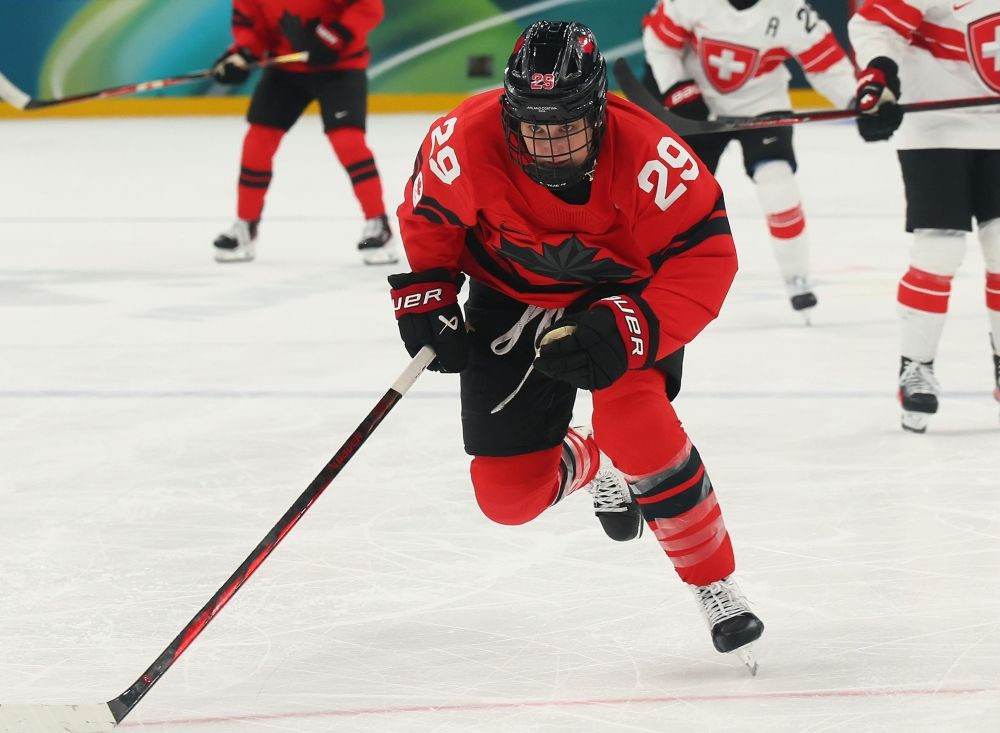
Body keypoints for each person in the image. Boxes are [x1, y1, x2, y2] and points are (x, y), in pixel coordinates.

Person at [387, 20, 764, 669]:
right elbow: (431, 221)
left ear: (598, 111)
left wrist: (635, 326)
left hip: (619, 299)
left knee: (636, 424)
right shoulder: (462, 140)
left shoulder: (652, 156)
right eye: (534, 127)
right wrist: (428, 294)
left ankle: (715, 585)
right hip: (510, 296)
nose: (550, 143)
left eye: (566, 125)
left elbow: (709, 258)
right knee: (507, 499)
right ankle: (594, 462)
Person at [641, 0, 857, 319]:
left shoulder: (790, 9)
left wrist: (857, 98)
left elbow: (826, 65)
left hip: (763, 105)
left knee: (777, 182)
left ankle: (796, 277)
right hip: (700, 107)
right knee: (677, 194)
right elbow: (659, 40)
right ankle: (649, 271)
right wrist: (677, 87)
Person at [850, 0, 1000, 432]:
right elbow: (875, 24)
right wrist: (878, 77)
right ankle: (916, 367)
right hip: (936, 125)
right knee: (938, 249)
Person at [210, 0, 396, 265]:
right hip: (286, 71)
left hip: (341, 68)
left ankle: (378, 224)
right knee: (257, 143)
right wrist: (241, 55)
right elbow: (252, 28)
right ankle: (245, 226)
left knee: (348, 142)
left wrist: (335, 35)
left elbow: (368, 7)